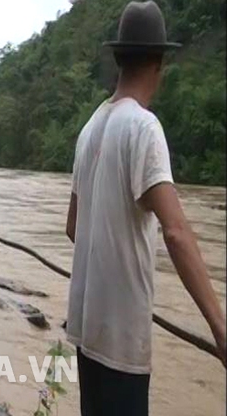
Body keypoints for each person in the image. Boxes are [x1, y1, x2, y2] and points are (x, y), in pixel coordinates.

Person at [65, 2, 226, 415]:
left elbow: (73, 228)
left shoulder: (90, 128)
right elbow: (176, 231)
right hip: (122, 342)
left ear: (119, 59)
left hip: (88, 333)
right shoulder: (143, 127)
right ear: (159, 63)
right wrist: (220, 328)